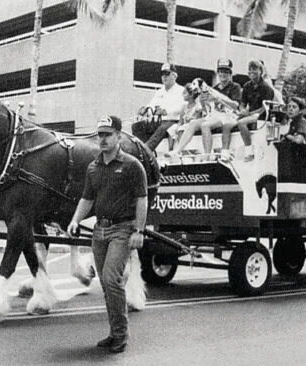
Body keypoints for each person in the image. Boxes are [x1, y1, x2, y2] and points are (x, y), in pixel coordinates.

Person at [67, 116, 147, 354]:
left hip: (122, 229)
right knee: (105, 283)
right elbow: (87, 198)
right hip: (99, 230)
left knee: (112, 279)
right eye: (100, 134)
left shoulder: (132, 165)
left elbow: (142, 200)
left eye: (108, 134)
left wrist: (139, 231)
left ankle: (121, 335)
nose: (102, 139)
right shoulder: (93, 167)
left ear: (119, 136)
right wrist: (75, 219)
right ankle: (114, 333)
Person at [167, 58, 242, 161]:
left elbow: (235, 106)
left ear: (230, 73)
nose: (223, 74)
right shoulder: (214, 88)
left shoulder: (235, 87)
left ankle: (207, 156)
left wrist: (218, 99)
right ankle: (177, 151)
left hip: (228, 116)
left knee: (205, 125)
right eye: (221, 71)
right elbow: (207, 111)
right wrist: (203, 102)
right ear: (218, 72)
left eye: (226, 71)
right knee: (193, 123)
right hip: (215, 115)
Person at [222, 59, 274, 161]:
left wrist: (249, 113)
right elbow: (242, 104)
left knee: (241, 123)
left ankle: (249, 153)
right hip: (251, 114)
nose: (251, 72)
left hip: (263, 115)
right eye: (249, 69)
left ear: (260, 71)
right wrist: (242, 110)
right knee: (229, 122)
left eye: (254, 69)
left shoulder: (266, 88)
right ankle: (225, 153)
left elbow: (265, 108)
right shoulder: (246, 86)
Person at [132, 63, 185, 151]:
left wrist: (165, 112)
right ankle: (139, 149)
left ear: (174, 76)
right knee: (137, 125)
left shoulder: (181, 90)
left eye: (167, 74)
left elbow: (182, 108)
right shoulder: (159, 91)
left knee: (163, 128)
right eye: (162, 74)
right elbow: (152, 104)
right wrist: (145, 109)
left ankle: (147, 150)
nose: (164, 77)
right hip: (160, 122)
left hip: (174, 121)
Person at [164, 83, 204, 155]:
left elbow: (197, 120)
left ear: (191, 95)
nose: (182, 95)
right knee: (172, 129)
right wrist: (178, 126)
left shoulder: (198, 107)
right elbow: (181, 120)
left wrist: (181, 127)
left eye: (185, 93)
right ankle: (170, 149)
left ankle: (182, 150)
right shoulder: (184, 106)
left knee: (181, 129)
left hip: (191, 126)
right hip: (184, 125)